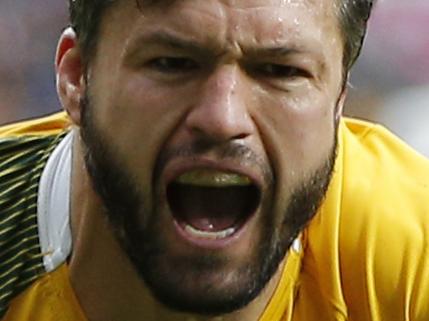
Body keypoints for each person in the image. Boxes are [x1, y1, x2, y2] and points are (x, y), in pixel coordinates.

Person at [0, 0, 428, 320]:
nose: (223, 119)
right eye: (172, 64)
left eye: (281, 71)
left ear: (339, 102)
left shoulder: (407, 246)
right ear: (76, 79)